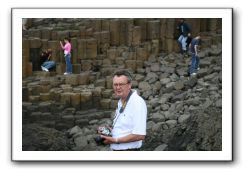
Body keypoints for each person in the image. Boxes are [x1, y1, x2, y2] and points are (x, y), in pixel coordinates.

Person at [99, 70, 147, 151]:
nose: (118, 87)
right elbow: (125, 128)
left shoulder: (137, 103)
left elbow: (139, 135)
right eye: (115, 84)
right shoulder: (121, 101)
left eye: (121, 84)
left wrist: (115, 140)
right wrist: (110, 131)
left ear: (129, 85)